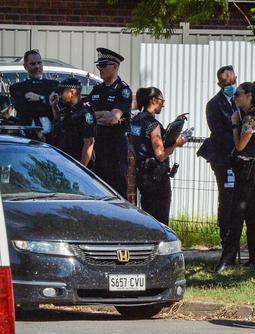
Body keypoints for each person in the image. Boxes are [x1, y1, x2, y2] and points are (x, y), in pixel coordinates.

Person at [214, 81, 255, 273]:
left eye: (238, 94)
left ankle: (228, 259)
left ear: (249, 96)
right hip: (253, 166)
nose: (235, 98)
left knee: (237, 212)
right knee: (252, 214)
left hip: (246, 167)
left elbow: (240, 145)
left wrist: (234, 125)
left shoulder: (251, 119)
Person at [198, 65, 238, 269]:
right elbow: (220, 134)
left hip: (243, 162)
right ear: (220, 84)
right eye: (226, 83)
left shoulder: (243, 100)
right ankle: (227, 245)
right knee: (227, 201)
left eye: (232, 82)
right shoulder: (214, 105)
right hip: (225, 160)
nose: (230, 86)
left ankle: (254, 249)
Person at [130, 87, 186, 225]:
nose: (163, 104)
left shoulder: (136, 120)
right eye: (162, 100)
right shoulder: (153, 124)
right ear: (154, 100)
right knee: (160, 217)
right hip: (156, 176)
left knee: (147, 214)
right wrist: (176, 143)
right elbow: (160, 155)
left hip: (142, 173)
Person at [88, 47, 132, 199]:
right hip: (98, 145)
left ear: (114, 66)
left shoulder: (123, 90)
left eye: (103, 65)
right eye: (98, 65)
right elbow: (87, 115)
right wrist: (102, 115)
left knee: (116, 189)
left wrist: (96, 116)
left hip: (115, 147)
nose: (99, 68)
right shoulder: (97, 89)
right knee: (98, 188)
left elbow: (113, 119)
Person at [8, 49, 58, 141]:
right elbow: (23, 106)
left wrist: (39, 98)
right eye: (33, 64)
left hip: (51, 137)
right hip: (26, 135)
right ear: (25, 66)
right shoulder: (18, 87)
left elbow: (57, 104)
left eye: (39, 63)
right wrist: (46, 100)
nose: (37, 66)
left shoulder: (53, 85)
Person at [49, 78, 96, 167]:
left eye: (62, 92)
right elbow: (60, 124)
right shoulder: (67, 109)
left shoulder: (84, 112)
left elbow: (89, 143)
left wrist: (81, 169)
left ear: (72, 92)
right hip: (65, 159)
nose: (60, 95)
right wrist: (54, 106)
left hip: (77, 161)